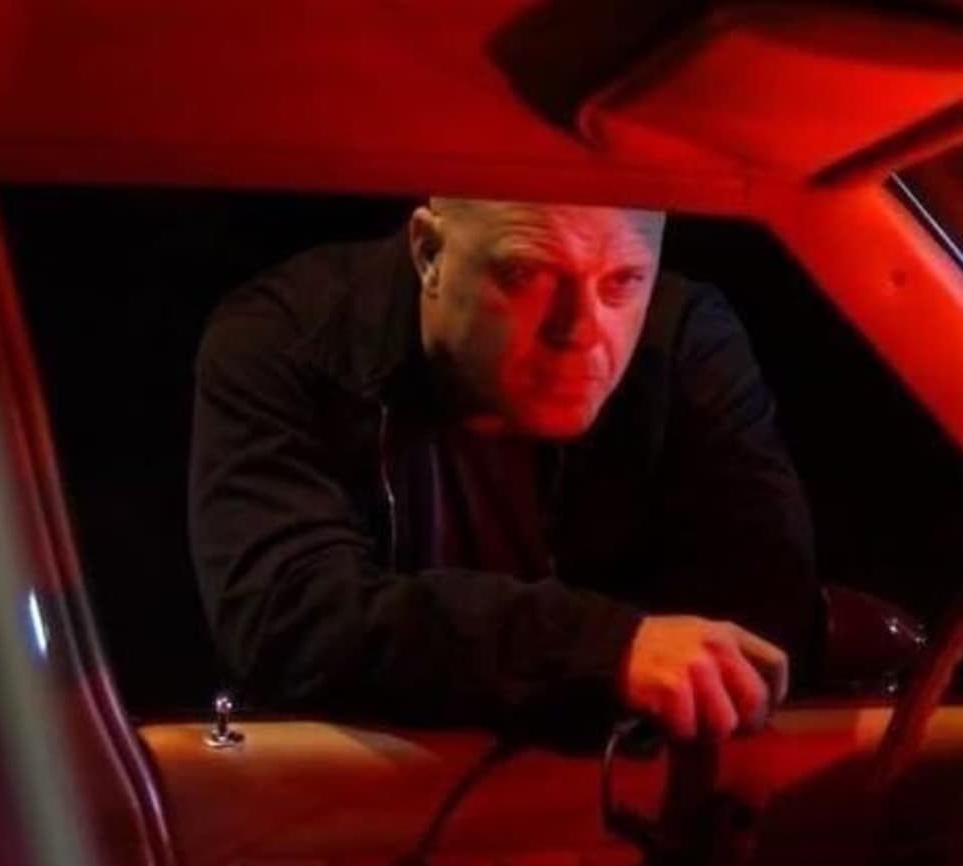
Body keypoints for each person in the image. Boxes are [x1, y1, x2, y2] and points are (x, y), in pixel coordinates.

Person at [188, 197, 821, 740]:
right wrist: (603, 649)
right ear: (428, 254)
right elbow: (288, 619)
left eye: (624, 282)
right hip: (340, 809)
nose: (579, 330)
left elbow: (765, 612)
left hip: (602, 809)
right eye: (525, 274)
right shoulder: (286, 336)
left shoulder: (683, 337)